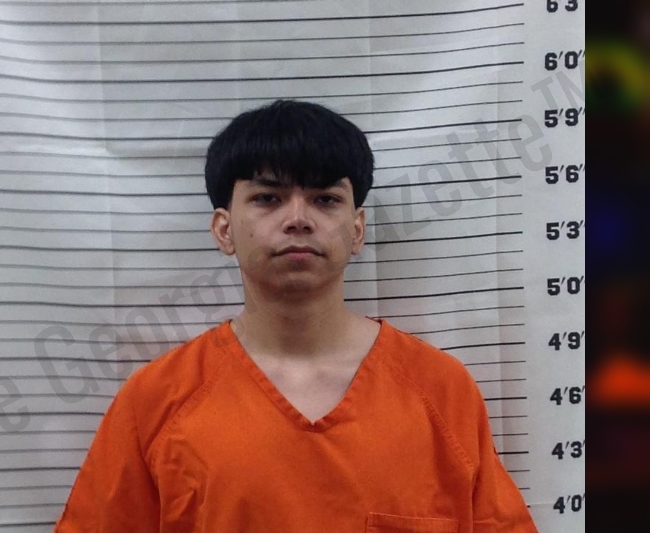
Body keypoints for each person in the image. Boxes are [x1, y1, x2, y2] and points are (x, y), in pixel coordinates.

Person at [54, 100, 538, 532]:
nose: (298, 218)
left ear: (357, 229)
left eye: (325, 199)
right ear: (224, 229)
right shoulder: (155, 402)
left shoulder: (441, 392)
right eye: (268, 198)